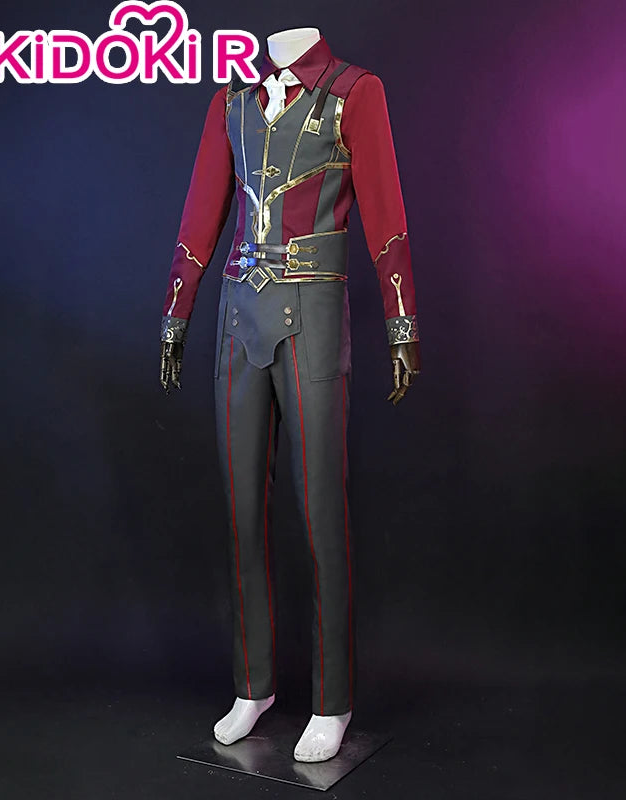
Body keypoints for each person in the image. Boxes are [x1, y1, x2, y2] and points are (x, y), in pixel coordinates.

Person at [159, 27, 421, 762]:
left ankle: (332, 700)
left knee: (318, 507)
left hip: (312, 314)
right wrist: (177, 312)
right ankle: (253, 685)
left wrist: (402, 322)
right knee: (241, 505)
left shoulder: (354, 93)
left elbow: (386, 211)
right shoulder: (233, 104)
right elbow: (201, 214)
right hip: (238, 314)